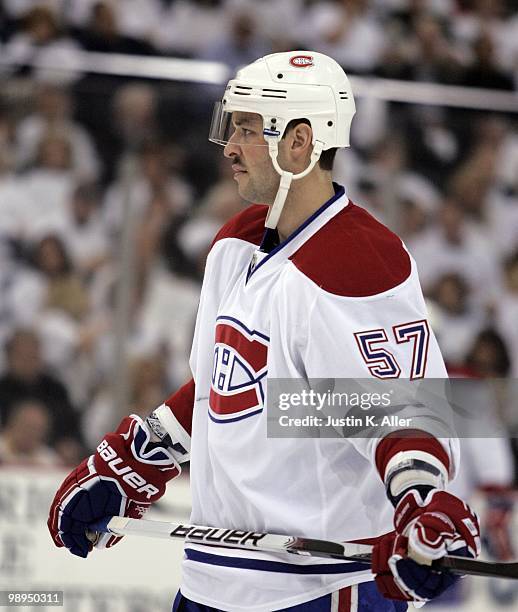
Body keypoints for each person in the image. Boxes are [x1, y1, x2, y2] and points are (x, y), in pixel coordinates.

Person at [48, 51, 480, 612]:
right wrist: (136, 460)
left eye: (248, 130)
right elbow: (222, 390)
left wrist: (422, 503)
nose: (229, 147)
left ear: (299, 142)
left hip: (317, 590)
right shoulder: (236, 241)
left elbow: (403, 414)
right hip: (210, 582)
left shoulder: (356, 259)